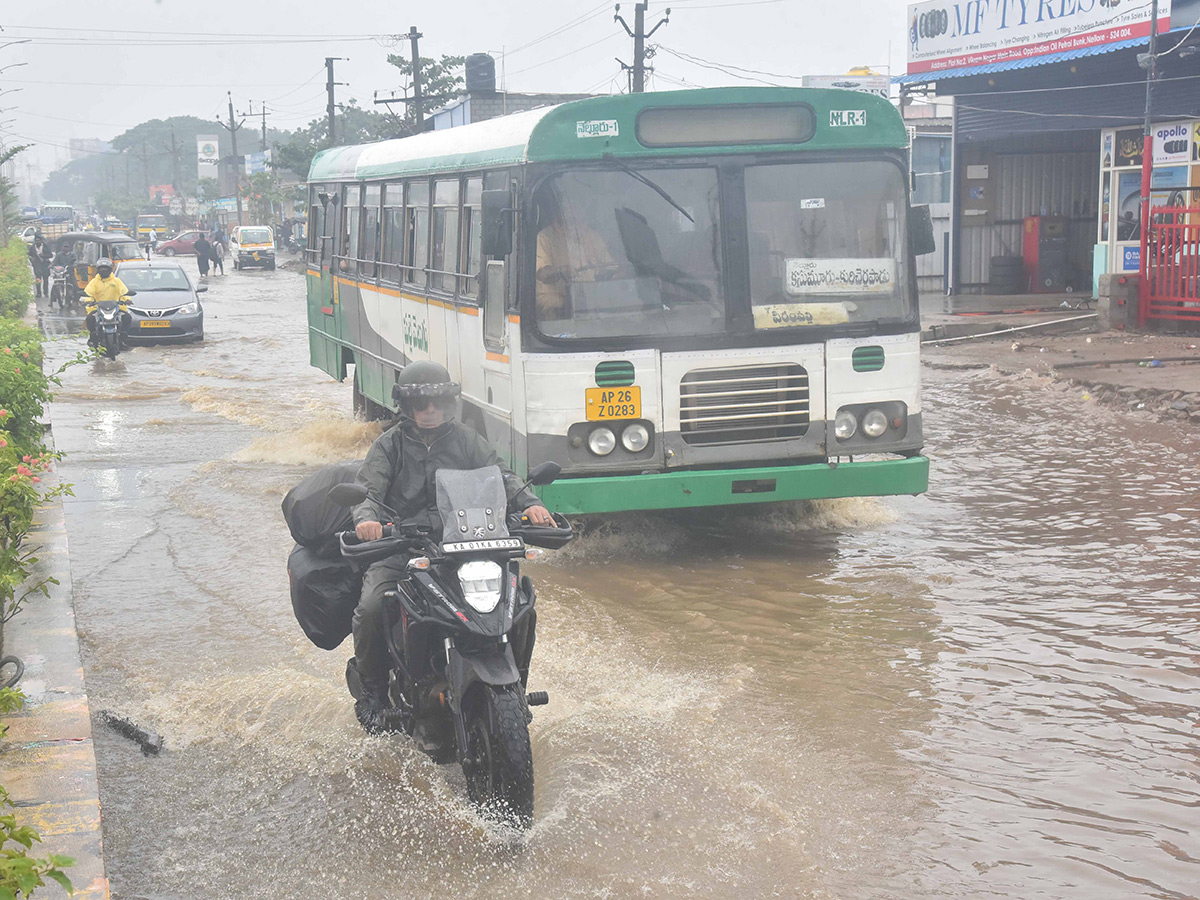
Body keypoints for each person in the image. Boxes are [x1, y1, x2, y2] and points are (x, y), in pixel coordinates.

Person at [349, 361, 555, 734]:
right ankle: (374, 695)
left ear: (449, 404)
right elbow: (368, 493)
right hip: (405, 548)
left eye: (438, 404)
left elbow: (500, 474)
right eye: (422, 406)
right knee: (371, 606)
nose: (431, 412)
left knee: (521, 604)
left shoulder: (466, 439)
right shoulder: (389, 445)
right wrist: (368, 520)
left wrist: (530, 504)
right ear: (407, 408)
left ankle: (515, 689)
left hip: (464, 543)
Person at [534, 191, 619, 319]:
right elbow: (542, 274)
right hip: (559, 311)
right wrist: (561, 271)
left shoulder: (592, 236)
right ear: (558, 212)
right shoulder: (545, 238)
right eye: (568, 207)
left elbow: (613, 268)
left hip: (594, 305)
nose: (573, 211)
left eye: (576, 206)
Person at [83, 258, 131, 348]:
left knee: (127, 317)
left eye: (106, 268)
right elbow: (88, 293)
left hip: (115, 308)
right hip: (97, 309)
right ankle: (93, 339)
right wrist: (88, 300)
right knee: (89, 319)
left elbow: (124, 292)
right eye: (101, 268)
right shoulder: (94, 282)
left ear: (110, 269)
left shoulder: (117, 281)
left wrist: (127, 299)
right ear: (98, 270)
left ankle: (122, 339)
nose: (104, 270)